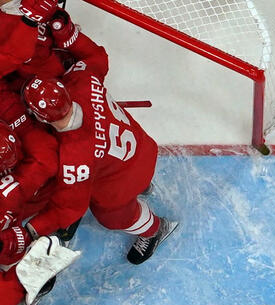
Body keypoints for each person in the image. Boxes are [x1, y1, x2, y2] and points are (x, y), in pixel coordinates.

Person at [21, 14, 178, 264]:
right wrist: (68, 33)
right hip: (144, 149)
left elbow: (70, 207)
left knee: (113, 217)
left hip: (118, 185)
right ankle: (144, 187)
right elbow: (97, 57)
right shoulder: (82, 80)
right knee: (121, 171)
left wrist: (31, 229)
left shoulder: (75, 155)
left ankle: (156, 228)